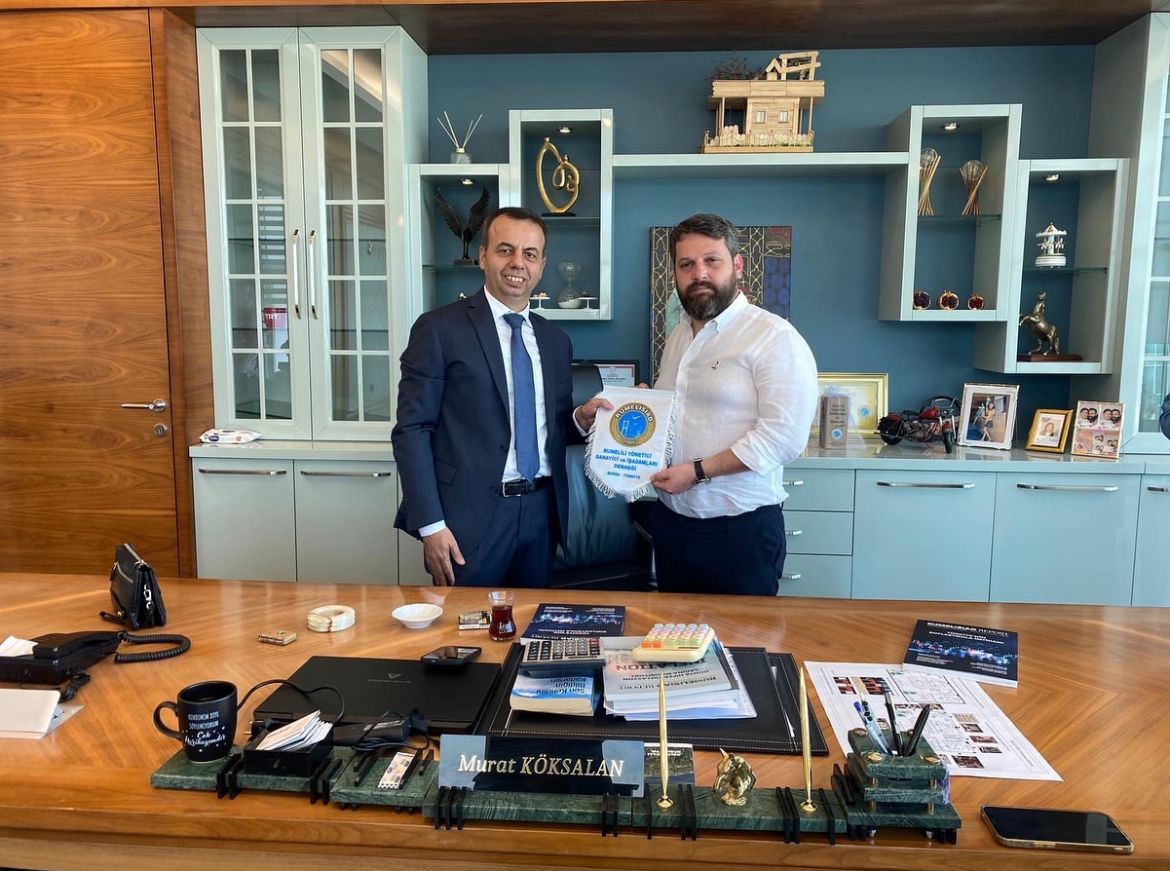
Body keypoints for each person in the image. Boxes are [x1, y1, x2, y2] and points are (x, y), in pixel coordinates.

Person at [392, 207, 607, 587]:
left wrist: (579, 419)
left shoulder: (556, 341)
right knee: (463, 625)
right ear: (483, 256)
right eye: (505, 250)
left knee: (530, 622)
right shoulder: (439, 329)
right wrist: (430, 526)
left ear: (542, 265)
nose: (517, 263)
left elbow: (553, 425)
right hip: (467, 520)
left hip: (542, 515)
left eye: (530, 254)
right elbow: (412, 430)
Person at [647, 213, 818, 596]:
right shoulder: (679, 337)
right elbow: (681, 414)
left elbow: (783, 438)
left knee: (742, 636)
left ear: (737, 266)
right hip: (673, 526)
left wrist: (697, 471)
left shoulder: (773, 336)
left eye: (712, 260)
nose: (699, 274)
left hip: (739, 534)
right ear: (675, 273)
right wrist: (643, 408)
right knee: (674, 634)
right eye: (686, 264)